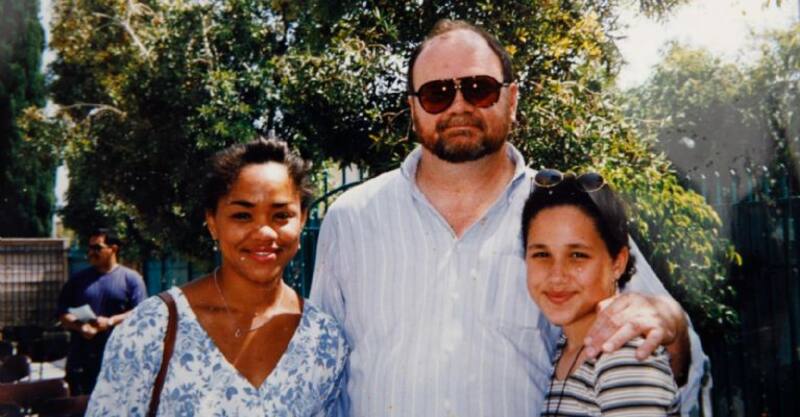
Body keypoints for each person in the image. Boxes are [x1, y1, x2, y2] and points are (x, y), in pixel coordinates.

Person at [311, 19, 707, 416]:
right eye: (436, 94)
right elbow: (322, 380)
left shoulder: (570, 212)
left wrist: (671, 327)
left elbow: (679, 362)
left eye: (479, 88)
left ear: (512, 98)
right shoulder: (352, 221)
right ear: (413, 107)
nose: (459, 106)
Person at [86, 138, 348, 416]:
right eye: (243, 215)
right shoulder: (152, 328)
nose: (264, 233)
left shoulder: (324, 339)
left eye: (281, 215)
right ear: (212, 222)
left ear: (303, 219)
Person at [523, 170, 679, 416]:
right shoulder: (566, 349)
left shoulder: (623, 357)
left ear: (617, 262)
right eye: (542, 254)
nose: (557, 276)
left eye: (577, 255)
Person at [57, 228, 147, 395]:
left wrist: (110, 322)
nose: (91, 252)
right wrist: (80, 327)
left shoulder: (131, 279)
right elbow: (62, 312)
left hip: (118, 361)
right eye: (90, 248)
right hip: (82, 361)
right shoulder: (77, 280)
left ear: (113, 249)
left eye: (97, 248)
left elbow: (141, 313)